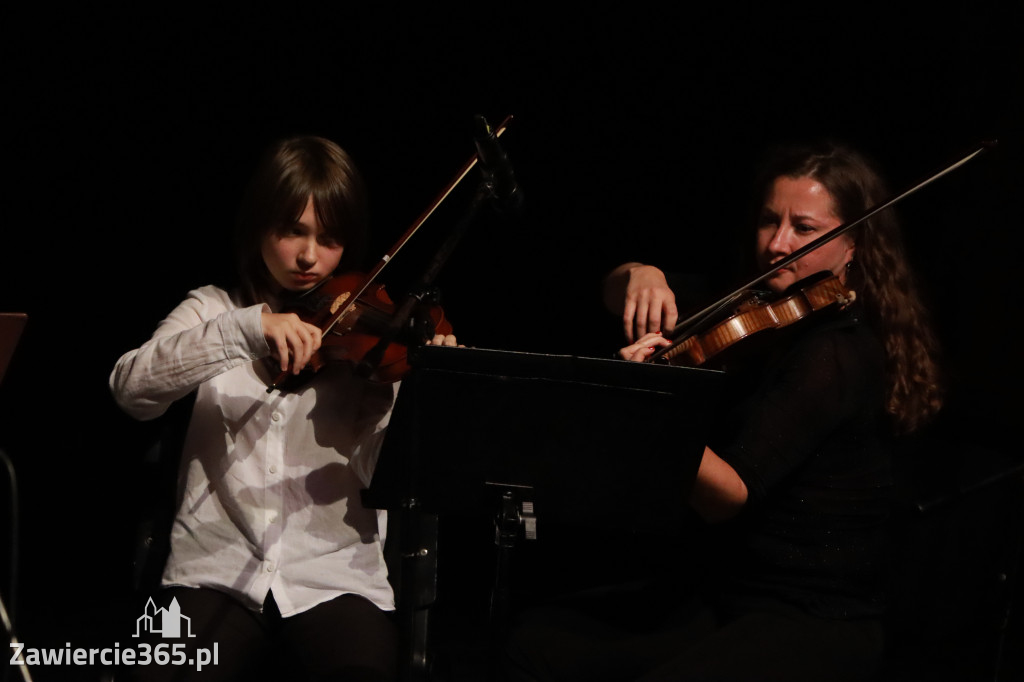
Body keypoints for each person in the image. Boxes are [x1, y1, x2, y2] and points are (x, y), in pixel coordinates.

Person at [505, 140, 942, 681]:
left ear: (853, 242)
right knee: (538, 642)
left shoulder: (835, 353)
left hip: (809, 617)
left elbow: (727, 496)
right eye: (768, 221)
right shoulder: (752, 305)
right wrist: (640, 272)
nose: (777, 245)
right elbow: (613, 291)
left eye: (804, 229)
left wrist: (654, 403)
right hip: (723, 592)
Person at [109, 135, 457, 682]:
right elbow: (132, 391)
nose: (309, 257)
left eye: (330, 238)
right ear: (259, 226)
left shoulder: (372, 340)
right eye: (293, 229)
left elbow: (379, 476)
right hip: (210, 573)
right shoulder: (212, 308)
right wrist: (248, 327)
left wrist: (422, 395)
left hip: (335, 578)